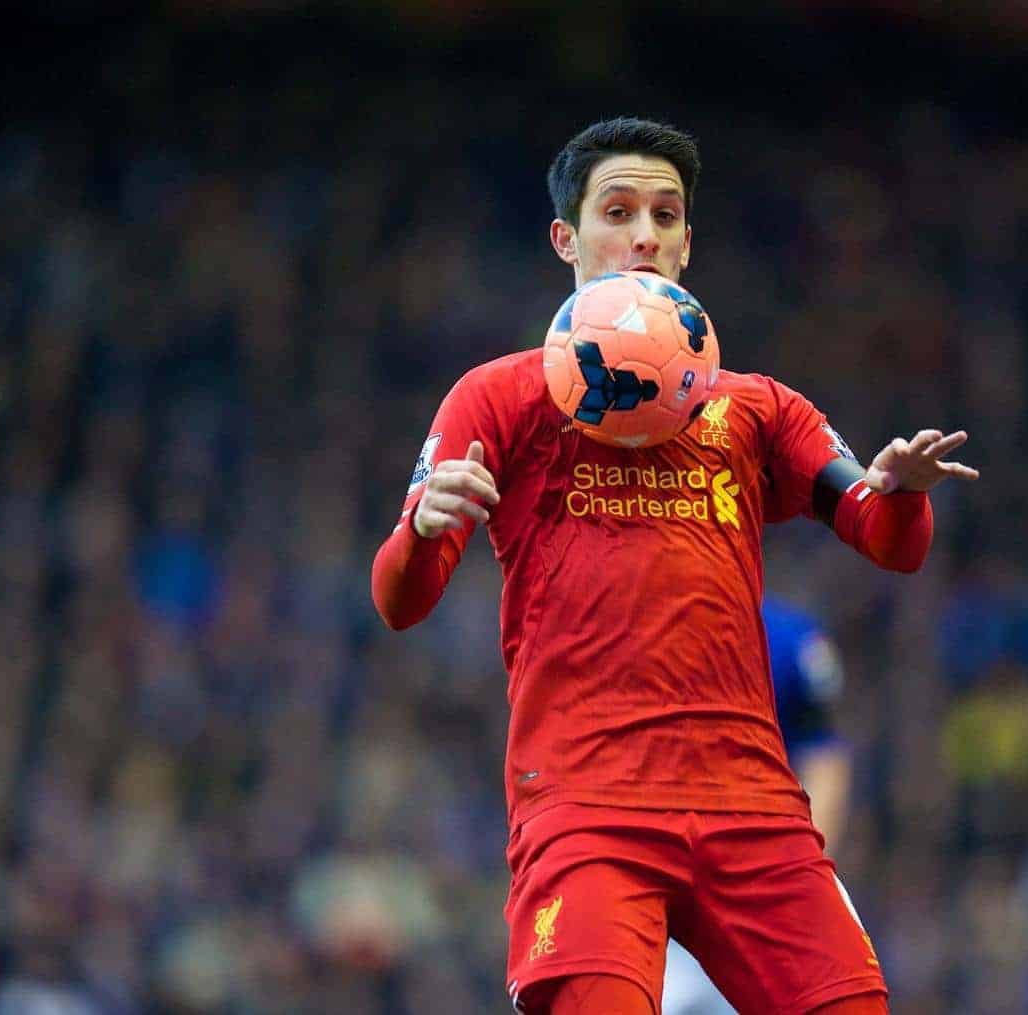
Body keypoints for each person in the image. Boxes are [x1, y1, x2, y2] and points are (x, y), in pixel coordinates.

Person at [371, 117, 978, 1014]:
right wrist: (423, 528)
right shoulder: (498, 397)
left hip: (754, 808)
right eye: (618, 211)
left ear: (688, 245)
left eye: (666, 214)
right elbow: (400, 599)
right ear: (566, 238)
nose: (644, 233)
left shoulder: (759, 409)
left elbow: (890, 538)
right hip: (586, 808)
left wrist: (899, 488)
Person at [662, 595, 853, 1015]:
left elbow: (825, 760)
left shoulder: (785, 640)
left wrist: (800, 872)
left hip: (766, 881)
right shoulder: (622, 627)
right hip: (661, 899)